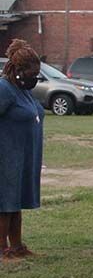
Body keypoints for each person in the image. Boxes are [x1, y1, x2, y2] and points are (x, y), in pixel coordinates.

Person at [0, 39, 43, 261]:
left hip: (24, 155)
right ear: (17, 70)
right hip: (6, 155)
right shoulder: (4, 89)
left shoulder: (23, 91)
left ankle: (17, 246)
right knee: (5, 201)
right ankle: (2, 248)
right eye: (31, 73)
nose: (34, 77)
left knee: (16, 201)